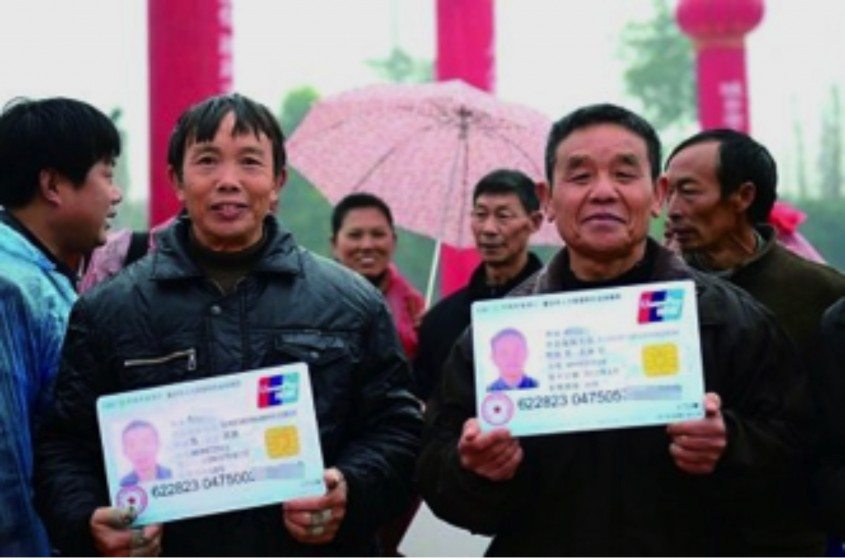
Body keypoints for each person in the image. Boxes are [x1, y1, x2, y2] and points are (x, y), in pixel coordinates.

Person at [34, 93, 422, 557]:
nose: (228, 181)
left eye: (250, 163)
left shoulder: (351, 303)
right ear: (177, 180)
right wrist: (88, 520)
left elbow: (398, 431)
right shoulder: (106, 311)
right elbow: (65, 447)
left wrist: (349, 487)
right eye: (207, 161)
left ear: (277, 181)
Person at [417, 103, 814, 555]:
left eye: (624, 174)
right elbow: (439, 477)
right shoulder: (499, 336)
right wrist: (475, 469)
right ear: (547, 200)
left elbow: (800, 461)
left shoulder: (730, 321)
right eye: (580, 176)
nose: (603, 192)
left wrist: (730, 444)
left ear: (660, 194)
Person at [0, 97, 122, 556]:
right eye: (106, 175)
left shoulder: (44, 275)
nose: (116, 195)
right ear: (52, 185)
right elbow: (6, 464)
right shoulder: (9, 287)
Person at [414, 169, 544, 401]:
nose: (489, 229)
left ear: (534, 222)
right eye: (480, 215)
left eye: (503, 216)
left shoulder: (555, 307)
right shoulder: (439, 321)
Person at [330, 193, 424, 359]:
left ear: (393, 241)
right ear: (334, 244)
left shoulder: (413, 306)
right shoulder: (313, 302)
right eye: (355, 235)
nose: (367, 245)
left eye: (378, 234)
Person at [119, 420, 172, 487]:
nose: (140, 450)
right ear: (125, 452)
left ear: (158, 445)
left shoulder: (172, 475)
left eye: (147, 442)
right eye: (132, 445)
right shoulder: (122, 485)